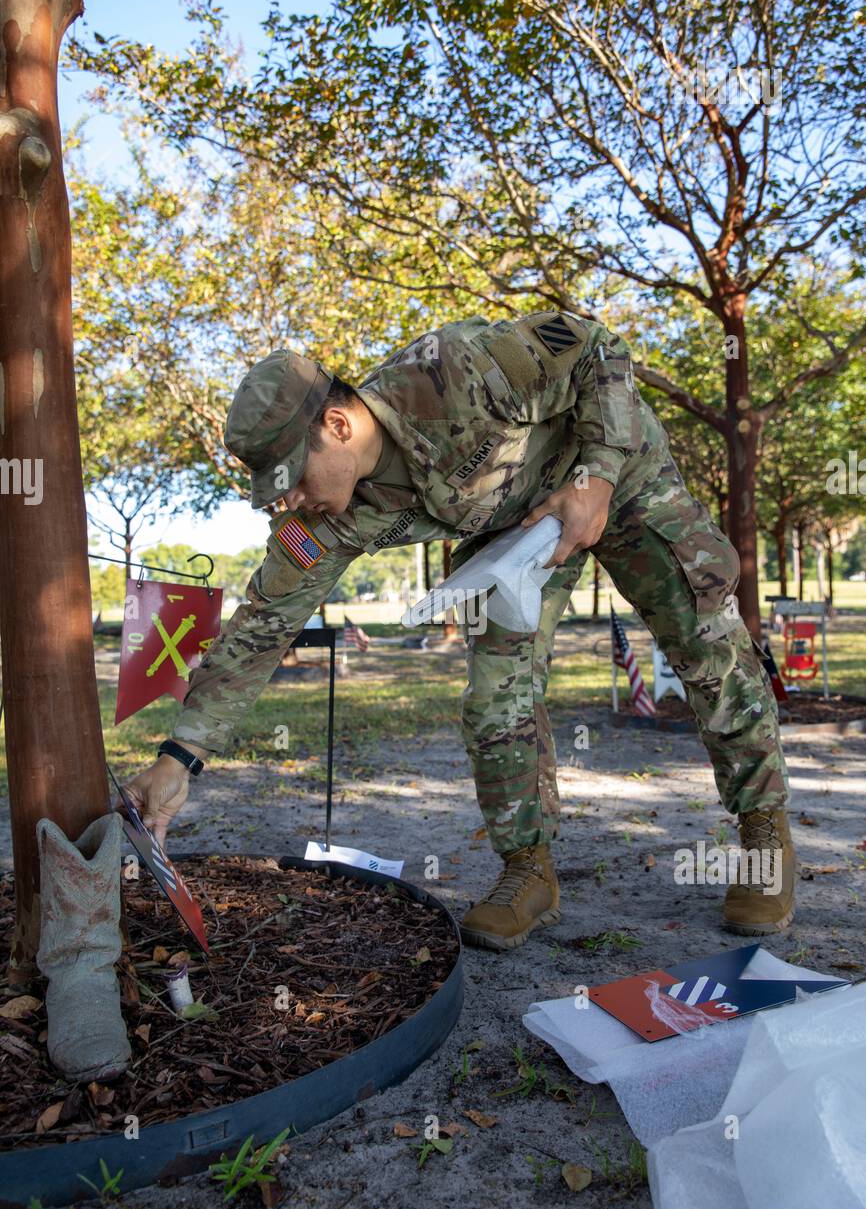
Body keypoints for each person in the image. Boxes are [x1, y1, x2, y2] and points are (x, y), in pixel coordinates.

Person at [121, 309, 795, 950]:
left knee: (704, 638)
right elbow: (262, 627)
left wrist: (596, 479)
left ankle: (764, 832)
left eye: (291, 476)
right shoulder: (323, 521)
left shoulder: (458, 369)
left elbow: (594, 348)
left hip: (619, 473)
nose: (287, 499)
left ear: (336, 424)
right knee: (496, 694)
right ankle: (529, 869)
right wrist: (178, 759)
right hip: (515, 533)